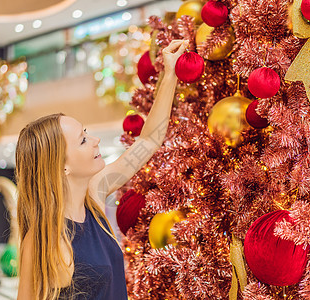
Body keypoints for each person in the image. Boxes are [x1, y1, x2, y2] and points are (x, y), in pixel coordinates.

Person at [15, 39, 188, 300]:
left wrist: (171, 72)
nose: (95, 140)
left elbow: (149, 140)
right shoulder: (44, 239)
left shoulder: (94, 196)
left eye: (87, 132)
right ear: (61, 166)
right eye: (83, 140)